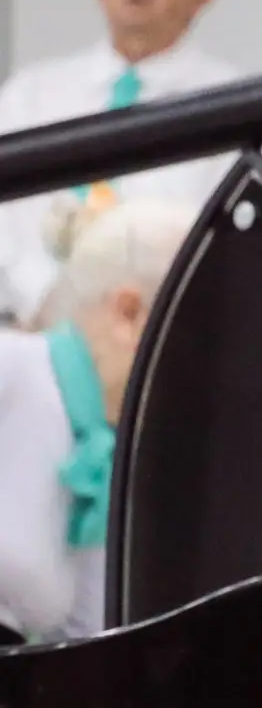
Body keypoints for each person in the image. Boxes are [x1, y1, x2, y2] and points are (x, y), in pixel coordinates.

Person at [0, 0, 236, 328]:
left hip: (164, 340)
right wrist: (49, 304)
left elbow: (222, 244)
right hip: (32, 335)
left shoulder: (230, 106)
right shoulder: (30, 96)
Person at [0, 196, 197, 644]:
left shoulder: (108, 460)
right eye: (201, 330)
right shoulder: (11, 366)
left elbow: (88, 635)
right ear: (128, 313)